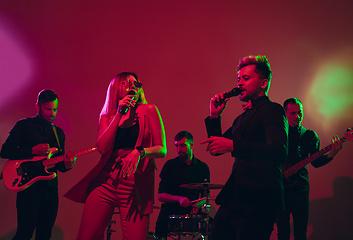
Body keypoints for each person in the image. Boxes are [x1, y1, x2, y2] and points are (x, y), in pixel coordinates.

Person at [64, 72, 167, 240]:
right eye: (126, 83)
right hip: (106, 181)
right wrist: (119, 113)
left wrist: (140, 152)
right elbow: (102, 147)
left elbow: (161, 149)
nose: (132, 86)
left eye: (135, 84)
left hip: (134, 185)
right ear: (115, 89)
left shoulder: (149, 110)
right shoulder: (107, 116)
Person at [200, 55, 288, 240]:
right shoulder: (241, 118)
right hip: (235, 198)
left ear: (263, 83)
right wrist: (215, 116)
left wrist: (233, 145)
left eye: (246, 78)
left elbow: (279, 151)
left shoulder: (272, 109)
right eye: (239, 79)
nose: (240, 83)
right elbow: (215, 148)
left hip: (259, 201)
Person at [0, 89, 76, 240]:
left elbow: (59, 164)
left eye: (54, 109)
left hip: (50, 190)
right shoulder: (23, 126)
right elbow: (5, 151)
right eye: (48, 109)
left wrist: (68, 164)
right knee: (24, 233)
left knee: (45, 234)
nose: (52, 113)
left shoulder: (58, 133)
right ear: (38, 107)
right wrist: (31, 150)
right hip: (28, 190)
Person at [276, 97, 343, 240]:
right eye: (293, 113)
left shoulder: (309, 135)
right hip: (280, 189)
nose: (297, 116)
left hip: (300, 189)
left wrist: (332, 154)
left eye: (300, 112)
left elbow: (316, 162)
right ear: (285, 113)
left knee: (301, 232)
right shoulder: (277, 135)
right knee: (282, 232)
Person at [154, 131, 210, 239]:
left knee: (210, 225)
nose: (179, 149)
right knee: (160, 228)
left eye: (183, 145)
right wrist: (179, 199)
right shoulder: (169, 166)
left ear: (191, 145)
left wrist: (198, 205)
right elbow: (160, 196)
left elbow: (205, 196)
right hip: (170, 210)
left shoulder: (203, 167)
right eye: (176, 146)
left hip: (192, 211)